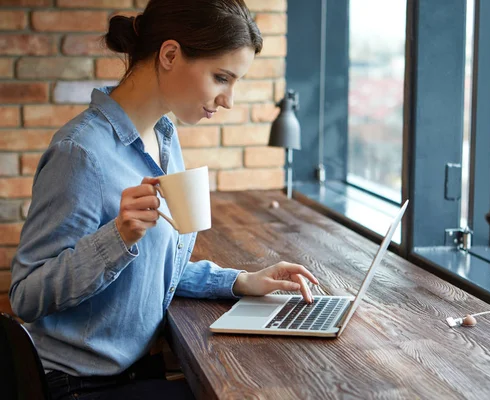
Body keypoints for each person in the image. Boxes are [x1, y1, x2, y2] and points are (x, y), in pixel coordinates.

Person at [9, 1, 319, 399]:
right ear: (170, 54)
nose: (228, 100)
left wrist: (242, 281)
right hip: (83, 387)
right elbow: (26, 296)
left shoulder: (165, 139)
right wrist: (117, 237)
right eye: (221, 77)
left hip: (142, 372)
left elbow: (157, 268)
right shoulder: (81, 153)